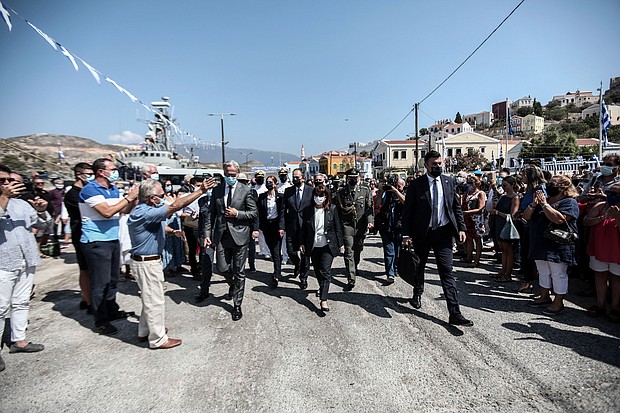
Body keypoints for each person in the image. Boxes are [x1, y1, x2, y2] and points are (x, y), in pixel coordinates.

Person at [128, 177, 215, 349]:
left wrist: (172, 231)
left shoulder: (145, 210)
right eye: (162, 194)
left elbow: (157, 226)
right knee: (155, 301)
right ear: (152, 198)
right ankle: (158, 339)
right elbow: (175, 207)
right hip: (147, 263)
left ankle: (145, 330)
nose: (165, 197)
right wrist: (200, 191)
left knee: (149, 298)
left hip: (146, 261)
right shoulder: (145, 211)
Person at [401, 150, 473, 326]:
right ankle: (417, 293)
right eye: (434, 164)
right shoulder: (417, 185)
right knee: (420, 266)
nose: (438, 167)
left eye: (440, 164)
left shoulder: (448, 182)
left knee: (447, 271)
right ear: (426, 165)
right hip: (422, 234)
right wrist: (406, 234)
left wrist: (461, 228)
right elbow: (407, 212)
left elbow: (455, 207)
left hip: (443, 233)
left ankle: (454, 313)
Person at [79, 158, 139, 335]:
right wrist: (128, 197)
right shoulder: (90, 190)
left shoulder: (113, 189)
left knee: (112, 280)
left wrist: (133, 200)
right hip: (96, 241)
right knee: (100, 282)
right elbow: (106, 212)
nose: (115, 172)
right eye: (112, 169)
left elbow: (124, 211)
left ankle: (111, 310)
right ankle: (101, 320)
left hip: (113, 238)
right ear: (100, 171)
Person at [0, 165, 51, 372]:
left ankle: (19, 340)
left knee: (21, 302)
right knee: (1, 307)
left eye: (9, 181)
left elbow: (42, 225)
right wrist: (3, 198)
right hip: (4, 261)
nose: (7, 184)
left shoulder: (21, 204)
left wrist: (41, 210)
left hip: (26, 259)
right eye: (2, 181)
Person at [204, 160, 258, 321]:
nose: (230, 177)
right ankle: (233, 285)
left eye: (233, 175)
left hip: (240, 236)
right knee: (221, 267)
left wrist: (237, 214)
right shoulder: (217, 190)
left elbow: (253, 213)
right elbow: (210, 214)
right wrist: (207, 233)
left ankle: (237, 305)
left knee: (239, 271)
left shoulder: (246, 190)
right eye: (227, 174)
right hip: (221, 236)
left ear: (237, 174)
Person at [523, 175, 579, 315]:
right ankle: (544, 296)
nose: (549, 186)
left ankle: (558, 302)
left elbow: (559, 219)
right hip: (540, 243)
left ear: (563, 187)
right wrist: (534, 204)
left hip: (558, 244)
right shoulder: (543, 201)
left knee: (558, 273)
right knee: (543, 271)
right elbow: (526, 217)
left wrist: (545, 205)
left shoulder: (569, 202)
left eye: (553, 184)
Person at [300, 185, 344, 312]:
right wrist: (302, 243)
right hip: (313, 245)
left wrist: (340, 243)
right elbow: (303, 228)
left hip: (327, 245)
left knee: (325, 270)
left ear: (326, 197)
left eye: (321, 196)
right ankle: (321, 286)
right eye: (316, 195)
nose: (318, 198)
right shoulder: (308, 210)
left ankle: (323, 299)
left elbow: (337, 227)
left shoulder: (332, 209)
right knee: (318, 270)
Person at [583, 182, 620, 321]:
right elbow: (586, 222)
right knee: (600, 276)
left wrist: (617, 217)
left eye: (616, 194)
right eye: (610, 192)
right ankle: (600, 304)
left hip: (616, 249)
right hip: (599, 247)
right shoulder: (601, 206)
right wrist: (601, 218)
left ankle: (615, 307)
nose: (612, 196)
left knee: (616, 278)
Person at [334, 168, 374, 291]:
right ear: (347, 179)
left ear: (358, 178)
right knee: (348, 251)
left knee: (357, 250)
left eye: (355, 178)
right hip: (347, 226)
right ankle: (351, 278)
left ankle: (354, 266)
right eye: (350, 178)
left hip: (361, 226)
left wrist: (370, 221)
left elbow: (369, 208)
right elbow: (337, 212)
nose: (353, 180)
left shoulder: (365, 190)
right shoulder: (341, 193)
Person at [63, 162, 94, 312]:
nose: (91, 177)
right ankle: (87, 301)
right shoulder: (73, 194)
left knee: (93, 269)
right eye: (89, 174)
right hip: (81, 233)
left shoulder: (89, 191)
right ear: (79, 175)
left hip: (93, 234)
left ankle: (89, 297)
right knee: (85, 269)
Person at [515, 164, 547, 293]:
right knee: (525, 253)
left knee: (530, 254)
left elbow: (542, 207)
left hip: (535, 226)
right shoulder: (528, 190)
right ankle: (528, 278)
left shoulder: (540, 189)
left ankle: (529, 281)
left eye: (523, 174)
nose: (521, 176)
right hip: (526, 224)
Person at [281, 168, 314, 289]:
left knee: (305, 255)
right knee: (291, 251)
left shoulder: (311, 191)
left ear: (303, 178)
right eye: (293, 177)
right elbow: (283, 210)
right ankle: (297, 264)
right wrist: (281, 226)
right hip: (292, 226)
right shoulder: (288, 191)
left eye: (297, 177)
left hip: (306, 227)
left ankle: (303, 278)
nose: (295, 179)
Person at [490, 176, 521, 282]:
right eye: (502, 185)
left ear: (512, 185)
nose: (504, 187)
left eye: (505, 185)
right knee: (503, 250)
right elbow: (496, 207)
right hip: (498, 223)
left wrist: (497, 213)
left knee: (508, 250)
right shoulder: (503, 196)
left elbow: (513, 215)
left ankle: (508, 274)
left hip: (507, 225)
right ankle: (502, 271)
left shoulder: (515, 197)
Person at [257, 175, 284, 287]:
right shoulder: (262, 197)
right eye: (267, 182)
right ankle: (277, 269)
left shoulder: (280, 197)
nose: (269, 184)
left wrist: (281, 227)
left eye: (270, 182)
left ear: (275, 183)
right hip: (266, 226)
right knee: (272, 250)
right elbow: (259, 212)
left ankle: (276, 274)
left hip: (276, 226)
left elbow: (282, 213)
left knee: (276, 250)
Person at [376, 177, 405, 283]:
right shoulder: (385, 193)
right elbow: (378, 204)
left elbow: (405, 202)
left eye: (399, 185)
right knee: (389, 251)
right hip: (386, 225)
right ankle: (390, 273)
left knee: (398, 251)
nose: (397, 187)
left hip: (399, 226)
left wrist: (396, 191)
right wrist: (381, 191)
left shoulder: (405, 193)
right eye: (396, 185)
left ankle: (395, 268)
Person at [462, 175, 487, 267]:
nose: (469, 184)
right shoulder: (468, 193)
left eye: (471, 182)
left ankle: (477, 259)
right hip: (467, 218)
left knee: (477, 239)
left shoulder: (480, 193)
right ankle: (469, 257)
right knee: (469, 238)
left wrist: (467, 212)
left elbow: (481, 208)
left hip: (477, 219)